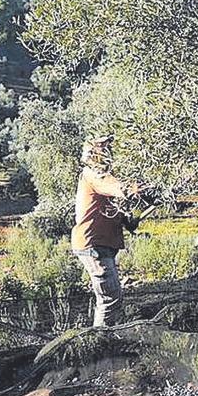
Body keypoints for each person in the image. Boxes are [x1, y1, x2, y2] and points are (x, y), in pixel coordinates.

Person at [71, 134, 140, 327]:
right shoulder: (93, 173)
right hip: (93, 243)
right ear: (93, 151)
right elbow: (116, 187)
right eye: (103, 146)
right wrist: (132, 189)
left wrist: (127, 220)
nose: (107, 149)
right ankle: (100, 343)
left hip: (99, 243)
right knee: (110, 298)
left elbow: (113, 206)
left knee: (109, 298)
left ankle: (104, 338)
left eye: (108, 145)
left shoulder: (101, 175)